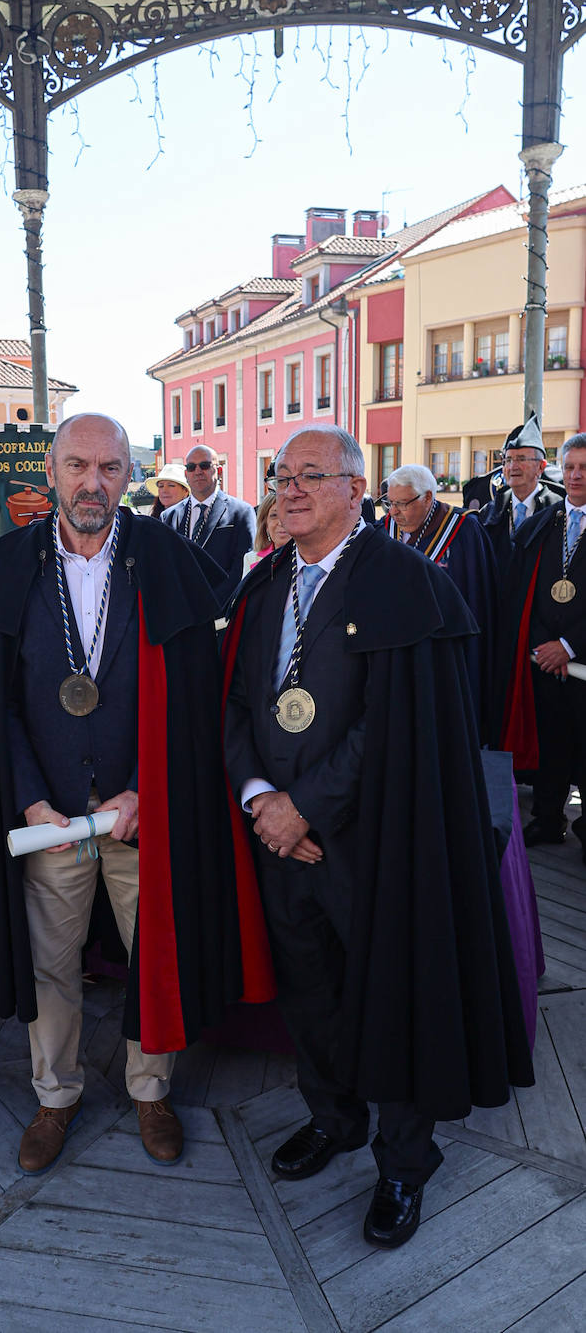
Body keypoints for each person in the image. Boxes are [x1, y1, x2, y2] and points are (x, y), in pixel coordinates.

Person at [223, 425, 532, 1250]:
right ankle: (334, 1119)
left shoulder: (406, 583)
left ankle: (403, 1160)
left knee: (394, 992)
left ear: (356, 489)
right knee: (311, 987)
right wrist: (261, 799)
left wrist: (306, 810)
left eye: (310, 477)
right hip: (279, 839)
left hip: (376, 842)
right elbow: (243, 707)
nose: (289, 491)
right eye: (281, 476)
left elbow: (391, 726)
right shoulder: (263, 585)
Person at [0, 413, 274, 1175]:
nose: (93, 483)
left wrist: (142, 791)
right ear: (51, 471)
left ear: (130, 474)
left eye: (111, 468)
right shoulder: (8, 564)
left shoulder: (166, 557)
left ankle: (150, 1088)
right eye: (78, 466)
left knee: (152, 949)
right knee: (49, 964)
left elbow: (193, 701)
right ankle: (54, 1097)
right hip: (49, 818)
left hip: (138, 813)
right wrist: (31, 802)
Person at [494, 433, 586, 861]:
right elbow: (520, 597)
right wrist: (540, 648)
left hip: (580, 660)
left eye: (584, 468)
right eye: (570, 467)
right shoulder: (544, 525)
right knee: (550, 742)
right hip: (543, 662)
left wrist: (568, 645)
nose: (576, 476)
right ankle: (549, 818)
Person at [382, 463, 497, 735]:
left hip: (446, 653)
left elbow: (477, 602)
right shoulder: (385, 528)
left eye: (402, 504)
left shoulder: (465, 530)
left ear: (428, 498)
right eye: (390, 503)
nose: (394, 511)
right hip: (394, 651)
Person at [160, 443, 256, 603]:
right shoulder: (169, 516)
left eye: (204, 465)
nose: (197, 471)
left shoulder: (241, 512)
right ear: (186, 474)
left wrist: (210, 604)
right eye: (191, 467)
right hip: (180, 613)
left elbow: (241, 568)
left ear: (218, 471)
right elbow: (164, 567)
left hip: (221, 613)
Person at [478, 416, 563, 578]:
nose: (513, 466)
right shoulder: (490, 512)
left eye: (521, 459)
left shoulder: (558, 511)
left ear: (541, 466)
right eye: (508, 460)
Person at [242, 492, 292, 575]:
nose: (280, 522)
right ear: (265, 525)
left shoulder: (310, 559)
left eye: (288, 514)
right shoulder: (251, 559)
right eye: (274, 515)